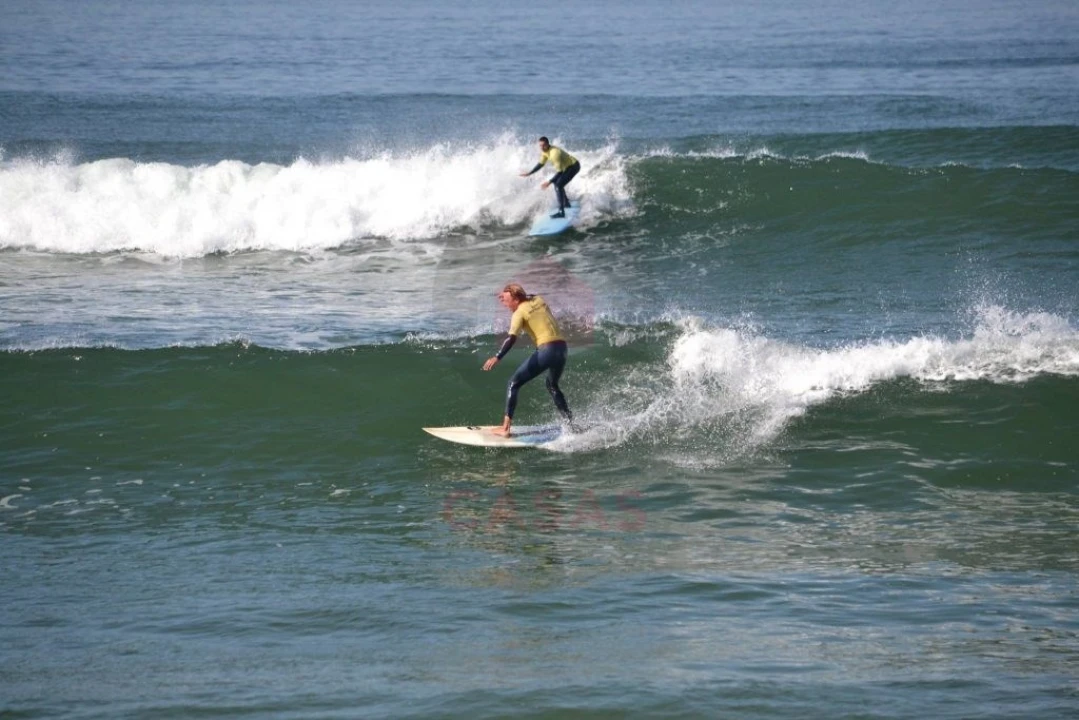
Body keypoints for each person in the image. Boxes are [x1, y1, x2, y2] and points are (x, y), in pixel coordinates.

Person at [482, 283, 573, 436]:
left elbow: (511, 339)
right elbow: (528, 296)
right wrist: (507, 292)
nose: (505, 304)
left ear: (516, 299)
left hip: (547, 350)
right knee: (552, 385)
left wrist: (497, 357)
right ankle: (570, 425)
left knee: (513, 383)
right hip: (562, 348)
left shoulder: (519, 313)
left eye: (507, 300)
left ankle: (505, 428)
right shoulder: (538, 300)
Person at [520, 136, 581, 218]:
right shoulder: (545, 151)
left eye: (543, 145)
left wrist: (549, 182)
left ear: (548, 144)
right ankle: (566, 203)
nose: (541, 147)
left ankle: (561, 212)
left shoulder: (554, 154)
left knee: (558, 185)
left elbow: (560, 172)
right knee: (558, 183)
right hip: (567, 167)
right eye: (540, 145)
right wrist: (529, 173)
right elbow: (541, 164)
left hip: (574, 166)